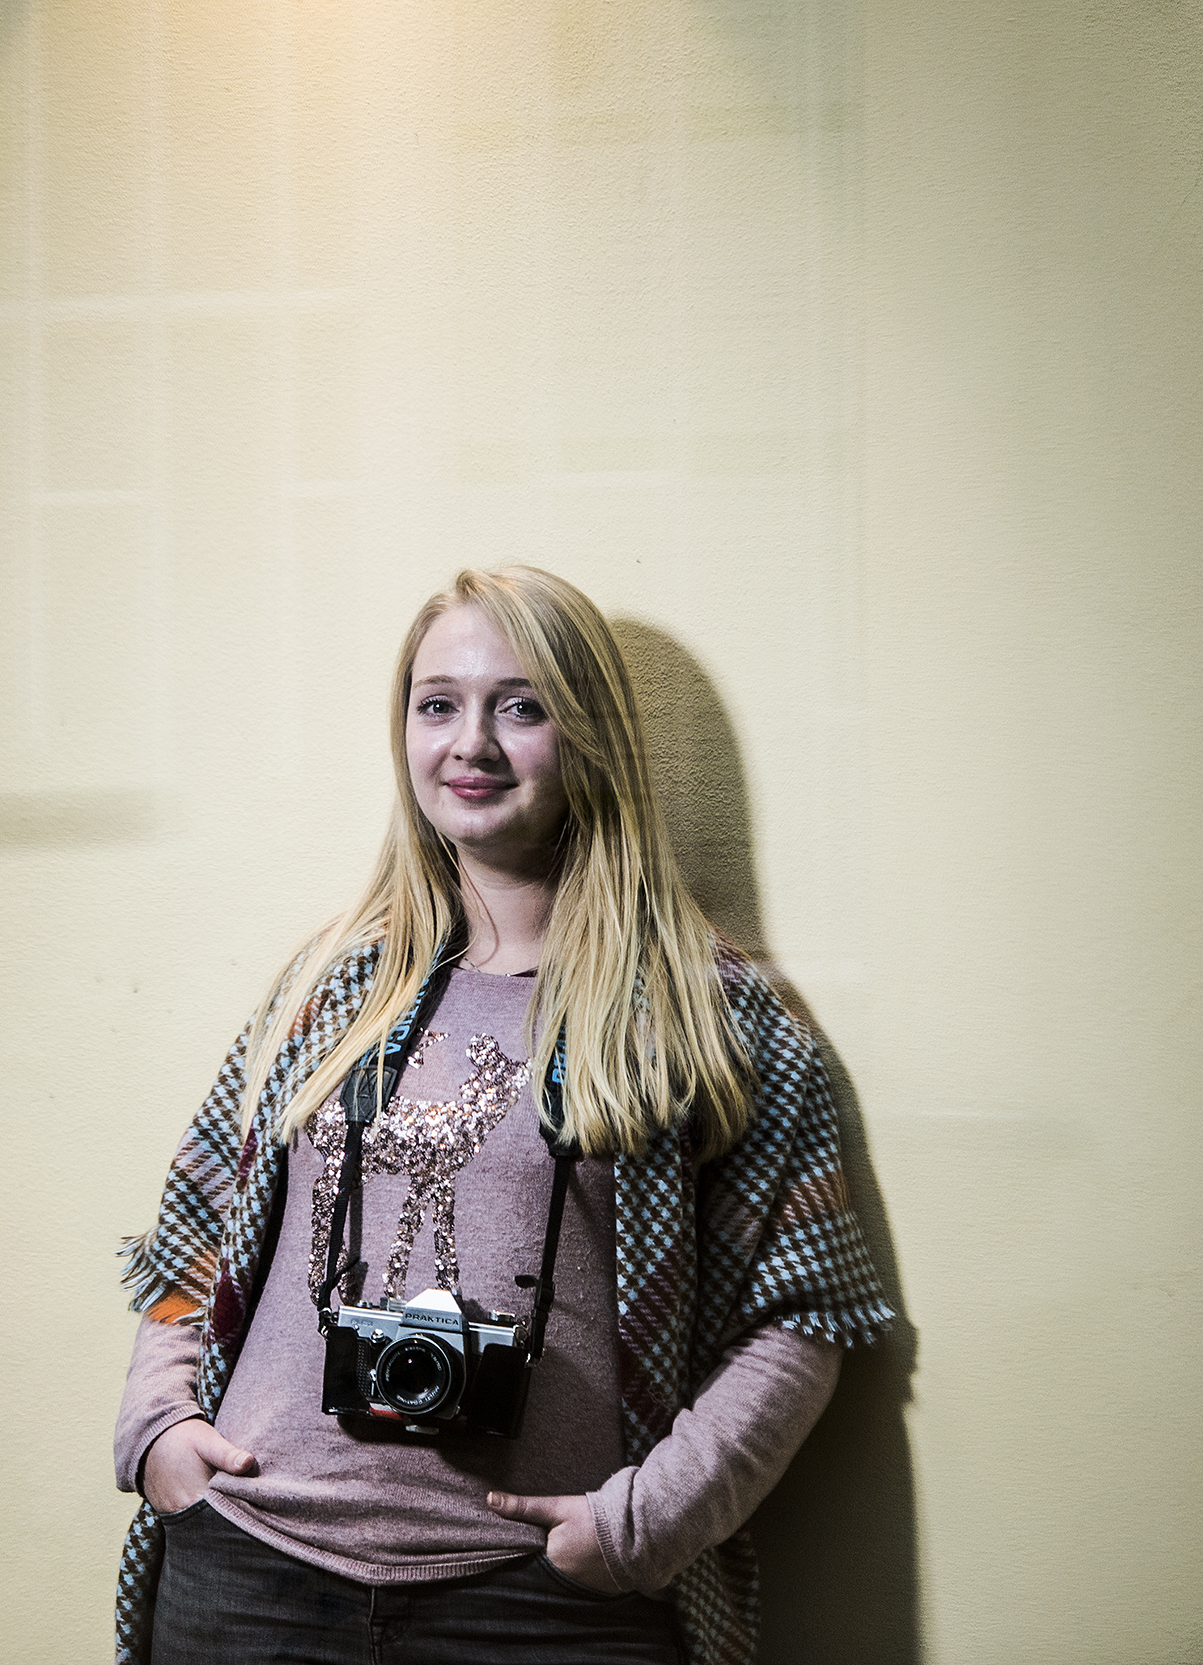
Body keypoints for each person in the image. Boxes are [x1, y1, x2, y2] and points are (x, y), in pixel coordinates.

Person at [111, 567, 893, 1665]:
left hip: (543, 1605)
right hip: (251, 1570)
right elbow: (192, 1238)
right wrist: (159, 1429)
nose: (469, 743)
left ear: (589, 734)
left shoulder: (702, 1008)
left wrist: (644, 1525)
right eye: (437, 704)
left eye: (520, 707)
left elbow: (803, 1311)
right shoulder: (330, 984)